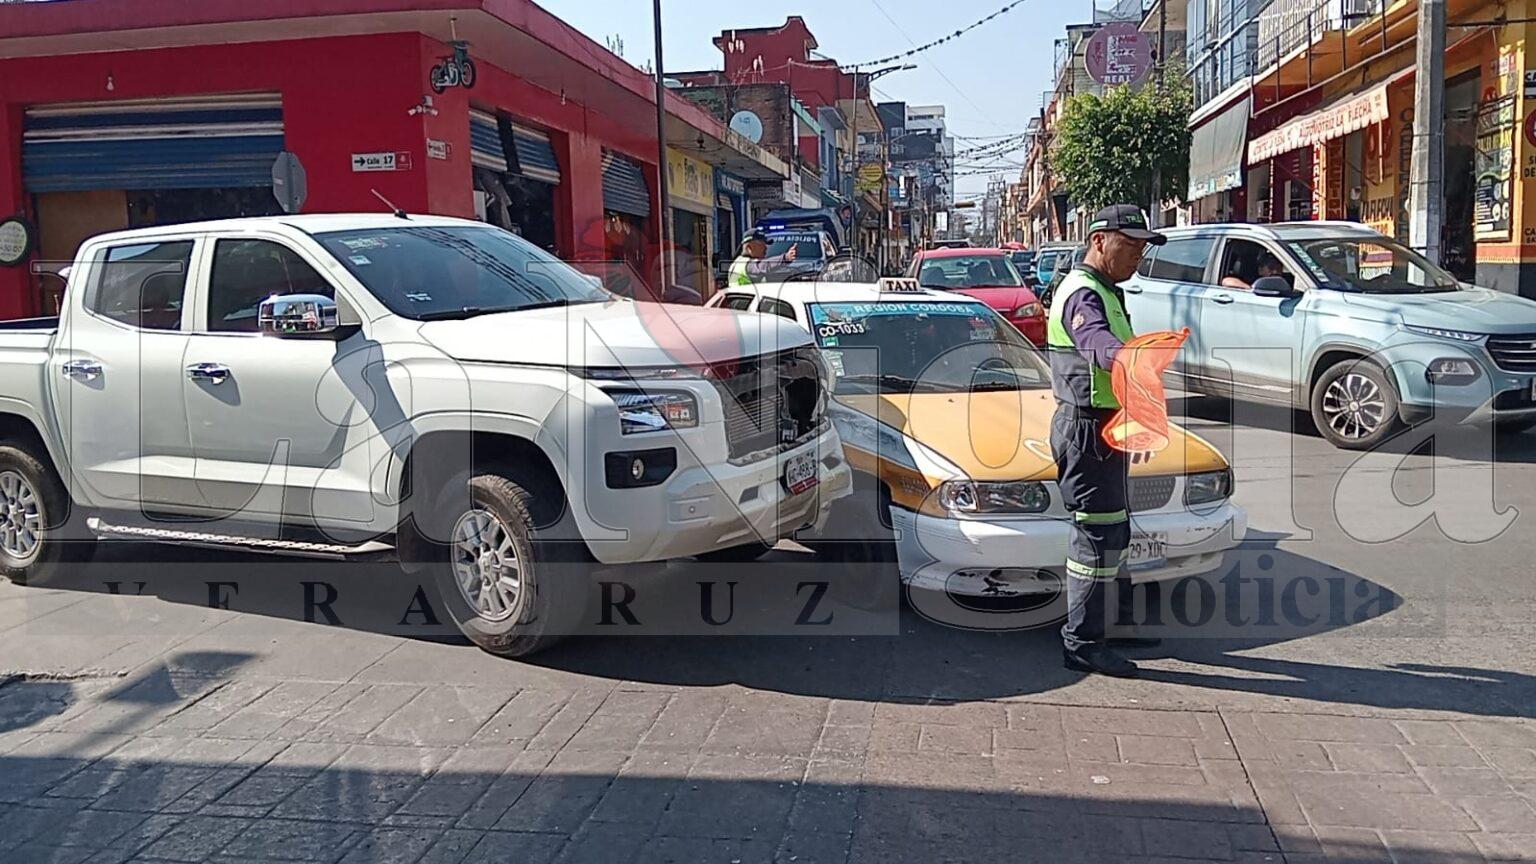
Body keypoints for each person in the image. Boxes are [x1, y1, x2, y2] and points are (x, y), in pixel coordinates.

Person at [1045, 204, 1167, 679]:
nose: (1137, 254)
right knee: (1096, 536)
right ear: (1099, 241)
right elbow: (1095, 342)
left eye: (1142, 246)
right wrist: (1128, 359)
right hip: (1086, 431)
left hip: (1106, 427)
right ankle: (1082, 642)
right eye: (1129, 243)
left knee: (1113, 531)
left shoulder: (1107, 291)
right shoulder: (1083, 295)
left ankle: (1105, 624)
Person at [728, 229, 798, 286]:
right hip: (746, 302)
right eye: (761, 244)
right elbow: (764, 266)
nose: (766, 247)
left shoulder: (738, 262)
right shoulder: (746, 264)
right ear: (749, 247)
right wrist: (785, 257)